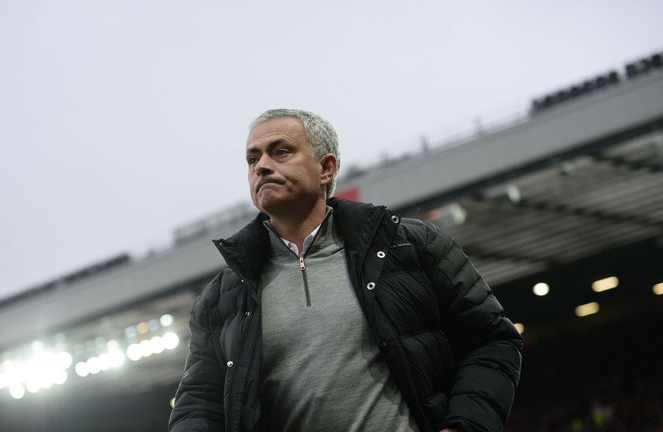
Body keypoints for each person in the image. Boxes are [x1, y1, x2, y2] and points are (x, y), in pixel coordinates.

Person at [169, 109, 523, 432]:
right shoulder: (222, 297)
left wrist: (464, 427)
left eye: (280, 152)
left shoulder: (410, 244)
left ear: (326, 168)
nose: (261, 166)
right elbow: (199, 404)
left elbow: (492, 340)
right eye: (252, 158)